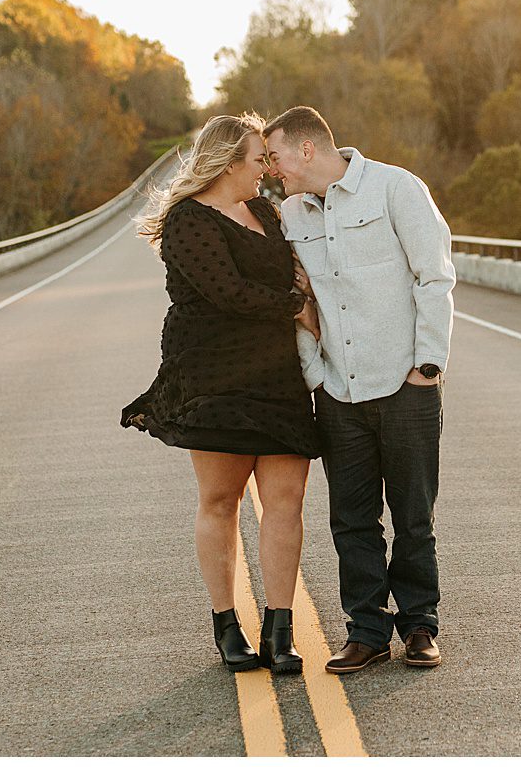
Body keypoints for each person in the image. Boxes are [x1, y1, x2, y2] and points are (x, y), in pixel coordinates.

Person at [119, 111, 322, 675]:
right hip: (214, 376)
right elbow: (229, 293)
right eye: (260, 159)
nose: (267, 169)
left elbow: (293, 270)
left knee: (285, 501)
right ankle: (227, 625)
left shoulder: (264, 211)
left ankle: (280, 631)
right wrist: (292, 306)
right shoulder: (188, 221)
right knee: (220, 501)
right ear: (229, 161)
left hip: (276, 374)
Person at [261, 106, 455, 674]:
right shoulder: (290, 214)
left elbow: (435, 274)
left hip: (404, 385)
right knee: (350, 519)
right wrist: (315, 376)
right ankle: (366, 631)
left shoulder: (396, 189)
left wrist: (427, 367)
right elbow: (299, 302)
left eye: (274, 158)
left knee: (413, 514)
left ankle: (420, 626)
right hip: (338, 391)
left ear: (305, 149)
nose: (272, 172)